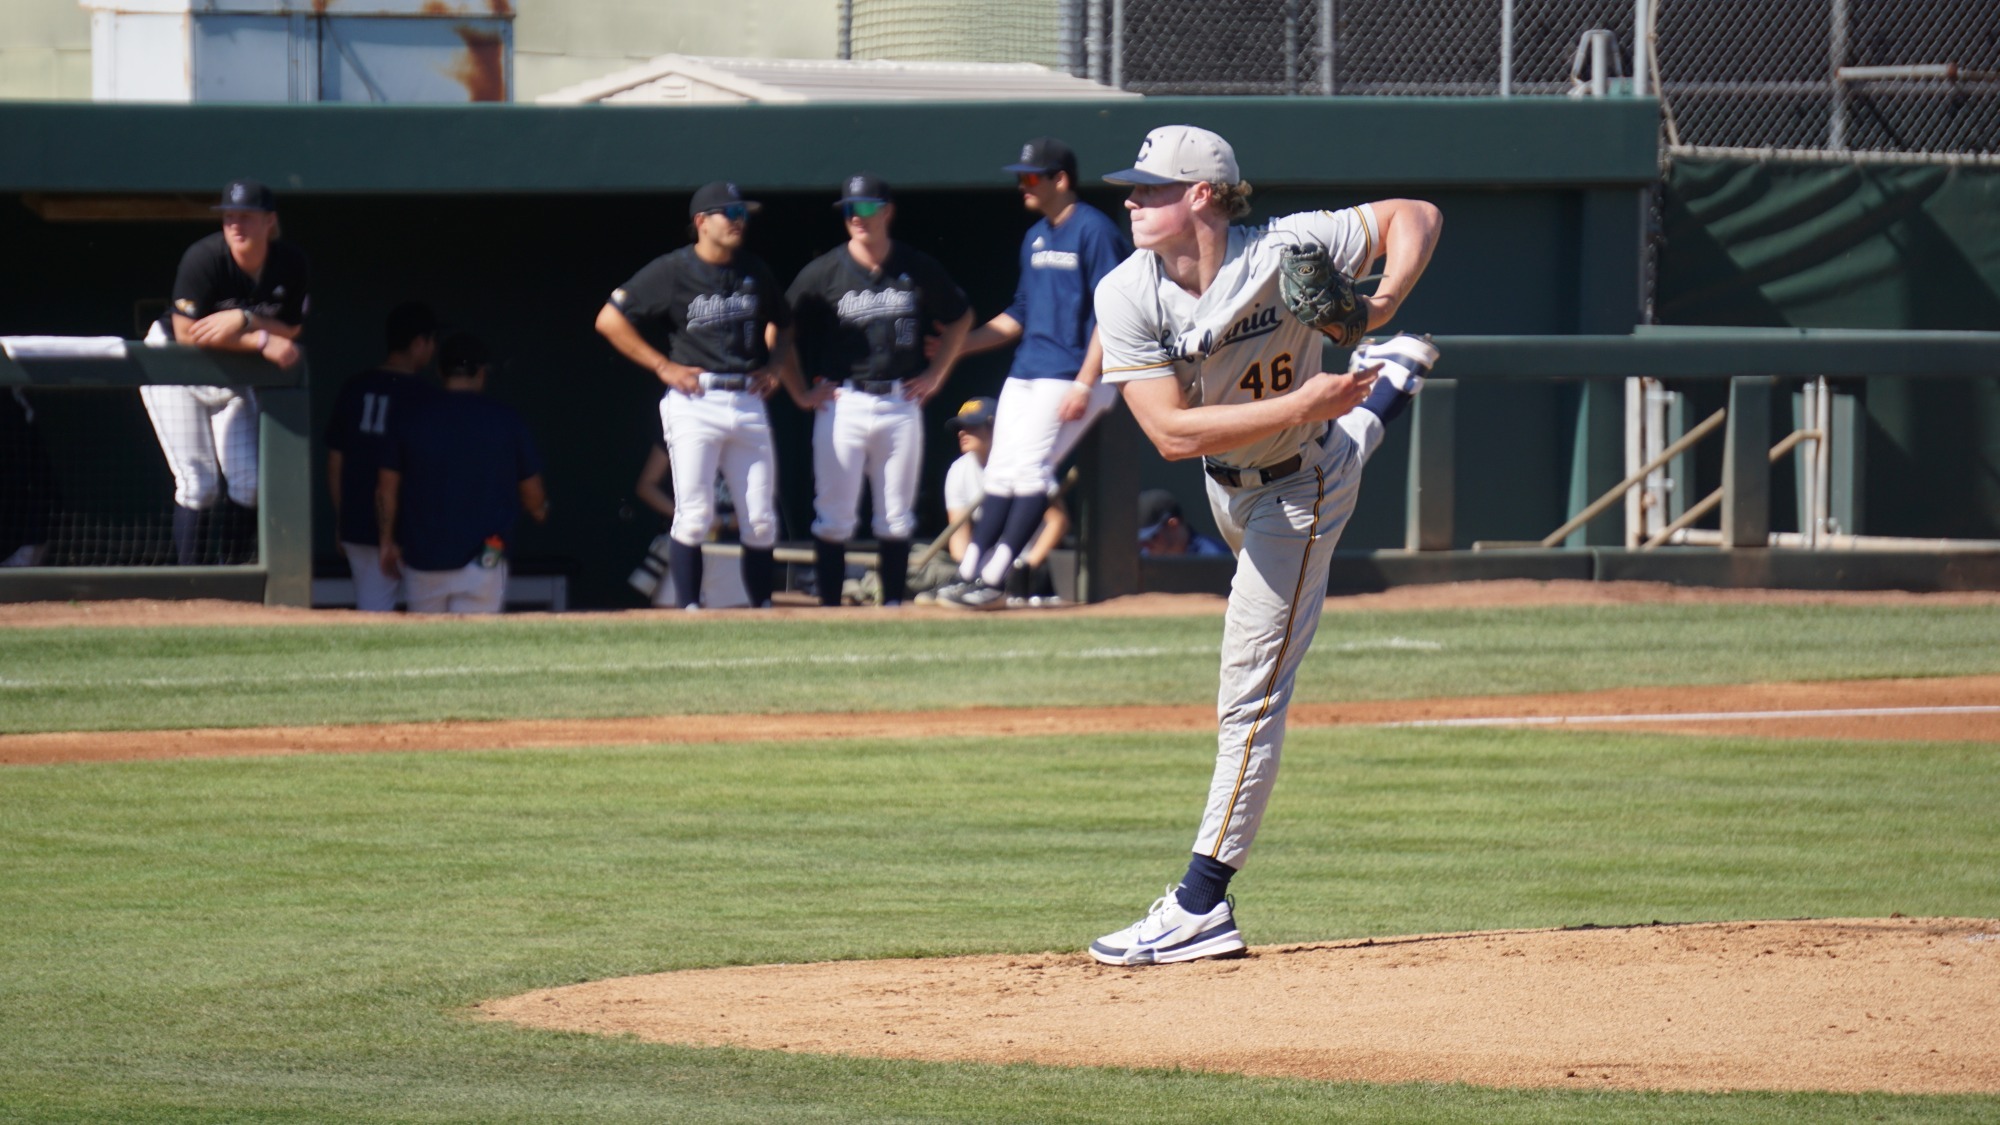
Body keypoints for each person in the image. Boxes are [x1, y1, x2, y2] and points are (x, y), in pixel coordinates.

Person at [1085, 125, 1442, 966]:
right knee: (1334, 435)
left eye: (1150, 187)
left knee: (1250, 695)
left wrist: (1381, 302)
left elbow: (1417, 214)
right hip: (1228, 482)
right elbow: (1170, 435)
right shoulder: (1126, 292)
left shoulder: (1287, 247)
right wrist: (1306, 403)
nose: (1131, 200)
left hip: (1297, 489)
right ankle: (1388, 384)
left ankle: (1200, 903)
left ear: (1202, 195)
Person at [939, 137, 1129, 610]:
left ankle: (995, 580)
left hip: (1072, 373)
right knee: (1002, 470)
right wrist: (958, 346)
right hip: (1028, 368)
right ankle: (969, 574)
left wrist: (1085, 381)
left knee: (1029, 470)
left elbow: (1112, 313)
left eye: (1029, 177)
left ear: (1059, 179)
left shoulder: (1095, 230)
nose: (1022, 186)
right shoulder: (1035, 236)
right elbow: (1020, 312)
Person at [595, 180, 804, 609]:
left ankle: (762, 610)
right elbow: (609, 319)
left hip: (746, 398)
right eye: (732, 214)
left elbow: (784, 324)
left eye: (743, 215)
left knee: (760, 519)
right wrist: (662, 365)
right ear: (702, 222)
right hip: (695, 399)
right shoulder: (672, 270)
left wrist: (773, 366)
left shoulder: (754, 269)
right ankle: (689, 611)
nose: (739, 222)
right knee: (693, 514)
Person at [787, 173, 973, 607]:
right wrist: (798, 390)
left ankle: (891, 608)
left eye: (866, 207)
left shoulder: (914, 265)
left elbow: (961, 317)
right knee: (834, 515)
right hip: (843, 401)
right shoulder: (825, 270)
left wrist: (936, 374)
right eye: (849, 210)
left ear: (887, 212)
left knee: (896, 516)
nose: (857, 217)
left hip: (899, 399)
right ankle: (830, 609)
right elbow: (780, 329)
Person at [141, 179, 307, 565]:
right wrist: (260, 340)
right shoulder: (205, 257)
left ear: (269, 221)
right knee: (198, 485)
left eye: (245, 216)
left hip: (228, 372)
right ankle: (191, 585)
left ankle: (232, 580)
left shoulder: (290, 263)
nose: (235, 224)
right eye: (229, 216)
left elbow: (291, 328)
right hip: (176, 368)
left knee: (250, 485)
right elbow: (187, 335)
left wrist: (244, 318)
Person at [376, 333, 549, 615]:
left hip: (424, 559)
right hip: (484, 559)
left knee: (427, 642)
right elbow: (533, 493)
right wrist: (540, 510)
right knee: (477, 643)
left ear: (441, 371)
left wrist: (386, 541)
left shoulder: (411, 417)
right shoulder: (505, 419)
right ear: (481, 373)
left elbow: (386, 487)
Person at [324, 303, 439, 611]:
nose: (433, 349)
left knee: (373, 611)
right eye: (431, 341)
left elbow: (335, 462)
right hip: (413, 525)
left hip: (359, 520)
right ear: (419, 342)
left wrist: (342, 517)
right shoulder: (426, 396)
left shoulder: (355, 387)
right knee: (429, 615)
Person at [935, 396, 1069, 599]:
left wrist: (1027, 567)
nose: (962, 432)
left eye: (972, 426)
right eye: (960, 427)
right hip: (983, 570)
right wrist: (967, 573)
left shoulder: (1025, 461)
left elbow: (1058, 522)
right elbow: (959, 534)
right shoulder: (958, 469)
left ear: (997, 428)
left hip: (1026, 566)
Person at [1136, 488, 1228, 557]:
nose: (1145, 546)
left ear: (1173, 525)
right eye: (1140, 540)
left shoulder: (1216, 556)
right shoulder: (1140, 560)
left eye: (1152, 537)